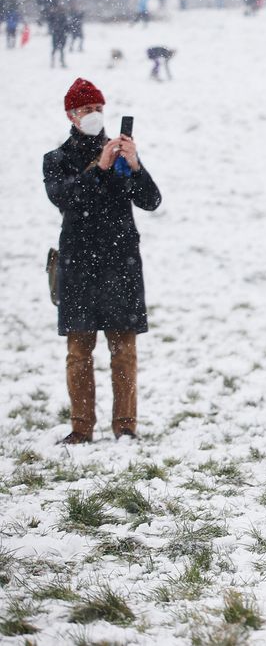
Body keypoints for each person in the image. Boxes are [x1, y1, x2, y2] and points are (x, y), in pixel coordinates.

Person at [44, 79, 162, 443]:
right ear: (71, 115)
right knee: (79, 352)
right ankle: (81, 427)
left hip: (120, 263)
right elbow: (65, 198)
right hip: (79, 264)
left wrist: (135, 166)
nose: (93, 116)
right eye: (85, 111)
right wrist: (98, 168)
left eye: (98, 109)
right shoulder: (57, 159)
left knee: (123, 350)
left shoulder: (121, 154)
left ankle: (125, 425)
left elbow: (151, 200)